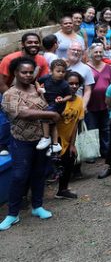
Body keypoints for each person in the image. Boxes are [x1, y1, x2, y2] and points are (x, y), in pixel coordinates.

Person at [0, 57, 62, 231]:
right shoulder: (9, 94)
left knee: (39, 173)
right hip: (21, 141)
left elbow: (47, 105)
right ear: (15, 73)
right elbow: (23, 113)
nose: (27, 75)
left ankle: (37, 206)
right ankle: (12, 214)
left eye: (30, 72)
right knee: (19, 176)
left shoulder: (37, 89)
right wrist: (52, 116)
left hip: (42, 140)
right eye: (23, 72)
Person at [54, 71, 85, 200]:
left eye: (76, 84)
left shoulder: (79, 101)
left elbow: (76, 123)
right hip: (55, 139)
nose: (73, 86)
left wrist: (72, 144)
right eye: (70, 83)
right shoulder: (59, 99)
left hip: (68, 138)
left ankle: (62, 190)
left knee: (69, 161)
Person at [35, 59, 71, 155]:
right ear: (51, 71)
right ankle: (55, 144)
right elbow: (37, 81)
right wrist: (39, 88)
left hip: (57, 105)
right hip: (48, 102)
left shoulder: (65, 84)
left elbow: (69, 95)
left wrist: (63, 99)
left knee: (45, 116)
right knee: (53, 124)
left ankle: (46, 137)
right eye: (58, 71)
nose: (61, 74)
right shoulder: (46, 78)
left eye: (63, 71)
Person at [85, 43, 111, 158]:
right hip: (91, 104)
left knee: (106, 128)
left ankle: (106, 152)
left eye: (100, 52)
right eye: (96, 52)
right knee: (91, 129)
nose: (98, 54)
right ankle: (92, 154)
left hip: (106, 104)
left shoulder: (107, 67)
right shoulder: (86, 67)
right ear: (91, 53)